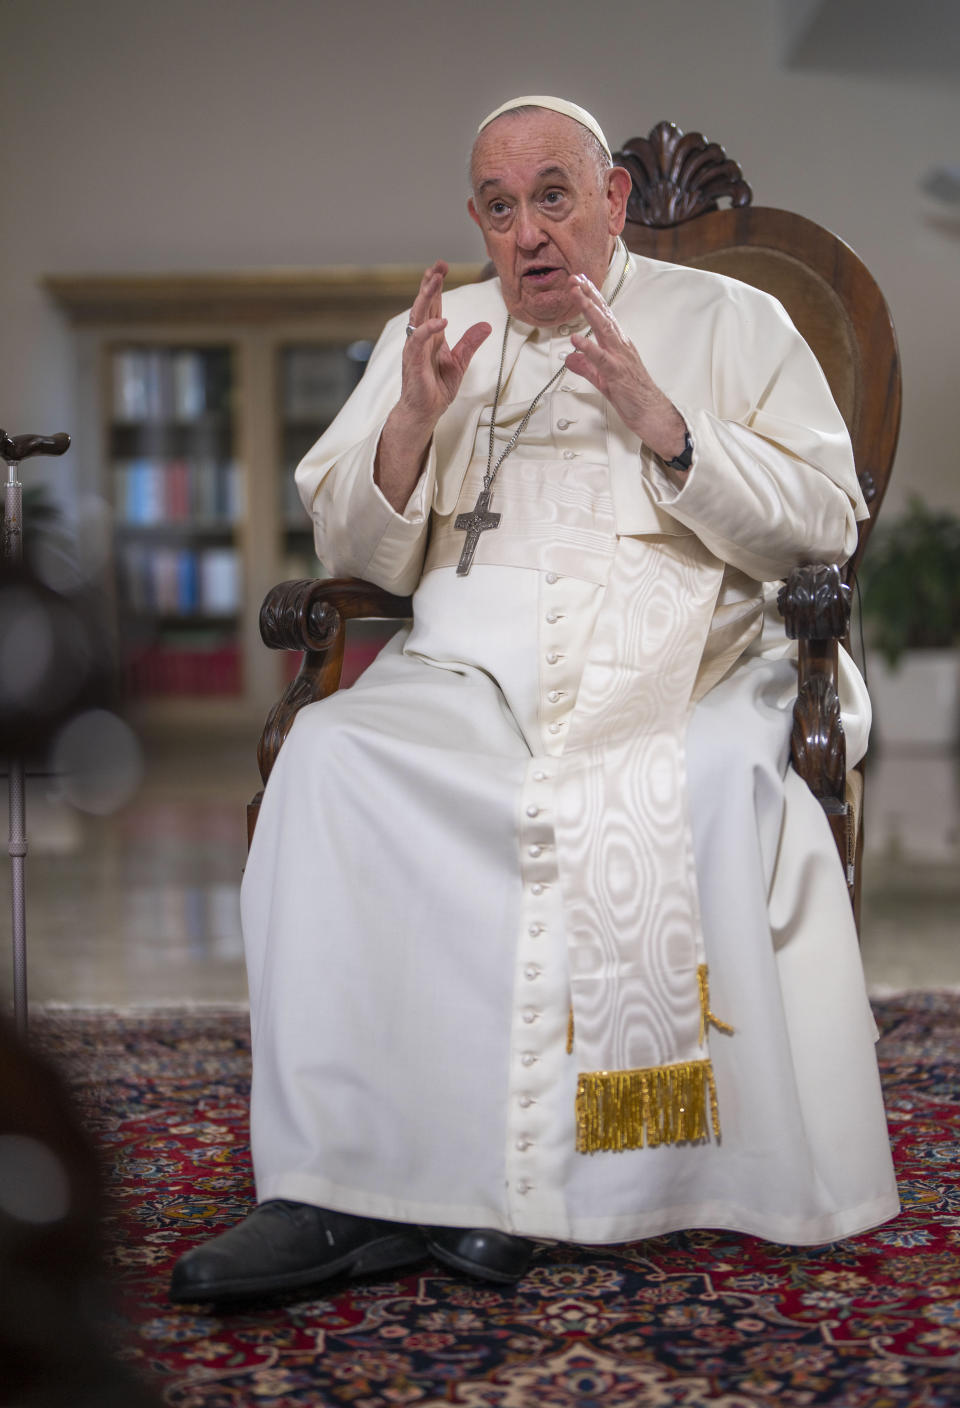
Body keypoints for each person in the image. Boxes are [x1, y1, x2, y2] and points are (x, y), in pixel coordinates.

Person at [170, 95, 899, 1304]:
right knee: (332, 760)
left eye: (553, 197)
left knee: (690, 783)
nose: (528, 234)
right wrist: (410, 422)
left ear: (613, 200)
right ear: (476, 222)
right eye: (500, 210)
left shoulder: (735, 319)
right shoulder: (440, 332)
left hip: (688, 663)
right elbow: (361, 547)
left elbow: (824, 522)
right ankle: (331, 1182)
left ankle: (570, 1187)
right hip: (470, 668)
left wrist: (667, 427)